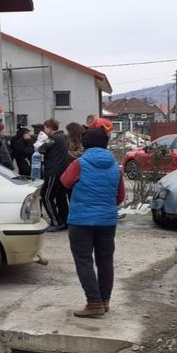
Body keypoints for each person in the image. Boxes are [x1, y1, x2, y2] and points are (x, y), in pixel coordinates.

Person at [60, 125, 125, 317]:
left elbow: (65, 182)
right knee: (105, 261)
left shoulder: (80, 163)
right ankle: (105, 300)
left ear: (85, 143)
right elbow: (120, 196)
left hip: (81, 221)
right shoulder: (115, 167)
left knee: (84, 261)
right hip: (107, 221)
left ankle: (94, 302)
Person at [39, 118, 70, 231]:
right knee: (60, 197)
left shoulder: (52, 138)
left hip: (53, 171)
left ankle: (56, 222)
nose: (44, 130)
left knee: (46, 196)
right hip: (63, 171)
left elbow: (41, 149)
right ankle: (65, 221)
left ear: (49, 128)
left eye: (45, 128)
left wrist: (41, 142)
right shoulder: (63, 137)